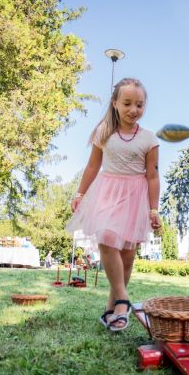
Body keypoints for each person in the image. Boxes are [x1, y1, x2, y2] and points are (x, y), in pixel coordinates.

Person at [66, 78, 161, 331]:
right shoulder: (103, 132)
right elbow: (92, 166)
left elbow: (152, 176)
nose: (133, 109)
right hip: (107, 191)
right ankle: (123, 300)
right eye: (127, 103)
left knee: (127, 256)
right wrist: (80, 193)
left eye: (139, 105)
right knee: (107, 237)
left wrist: (154, 209)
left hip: (135, 197)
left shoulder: (149, 139)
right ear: (115, 103)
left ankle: (112, 311)